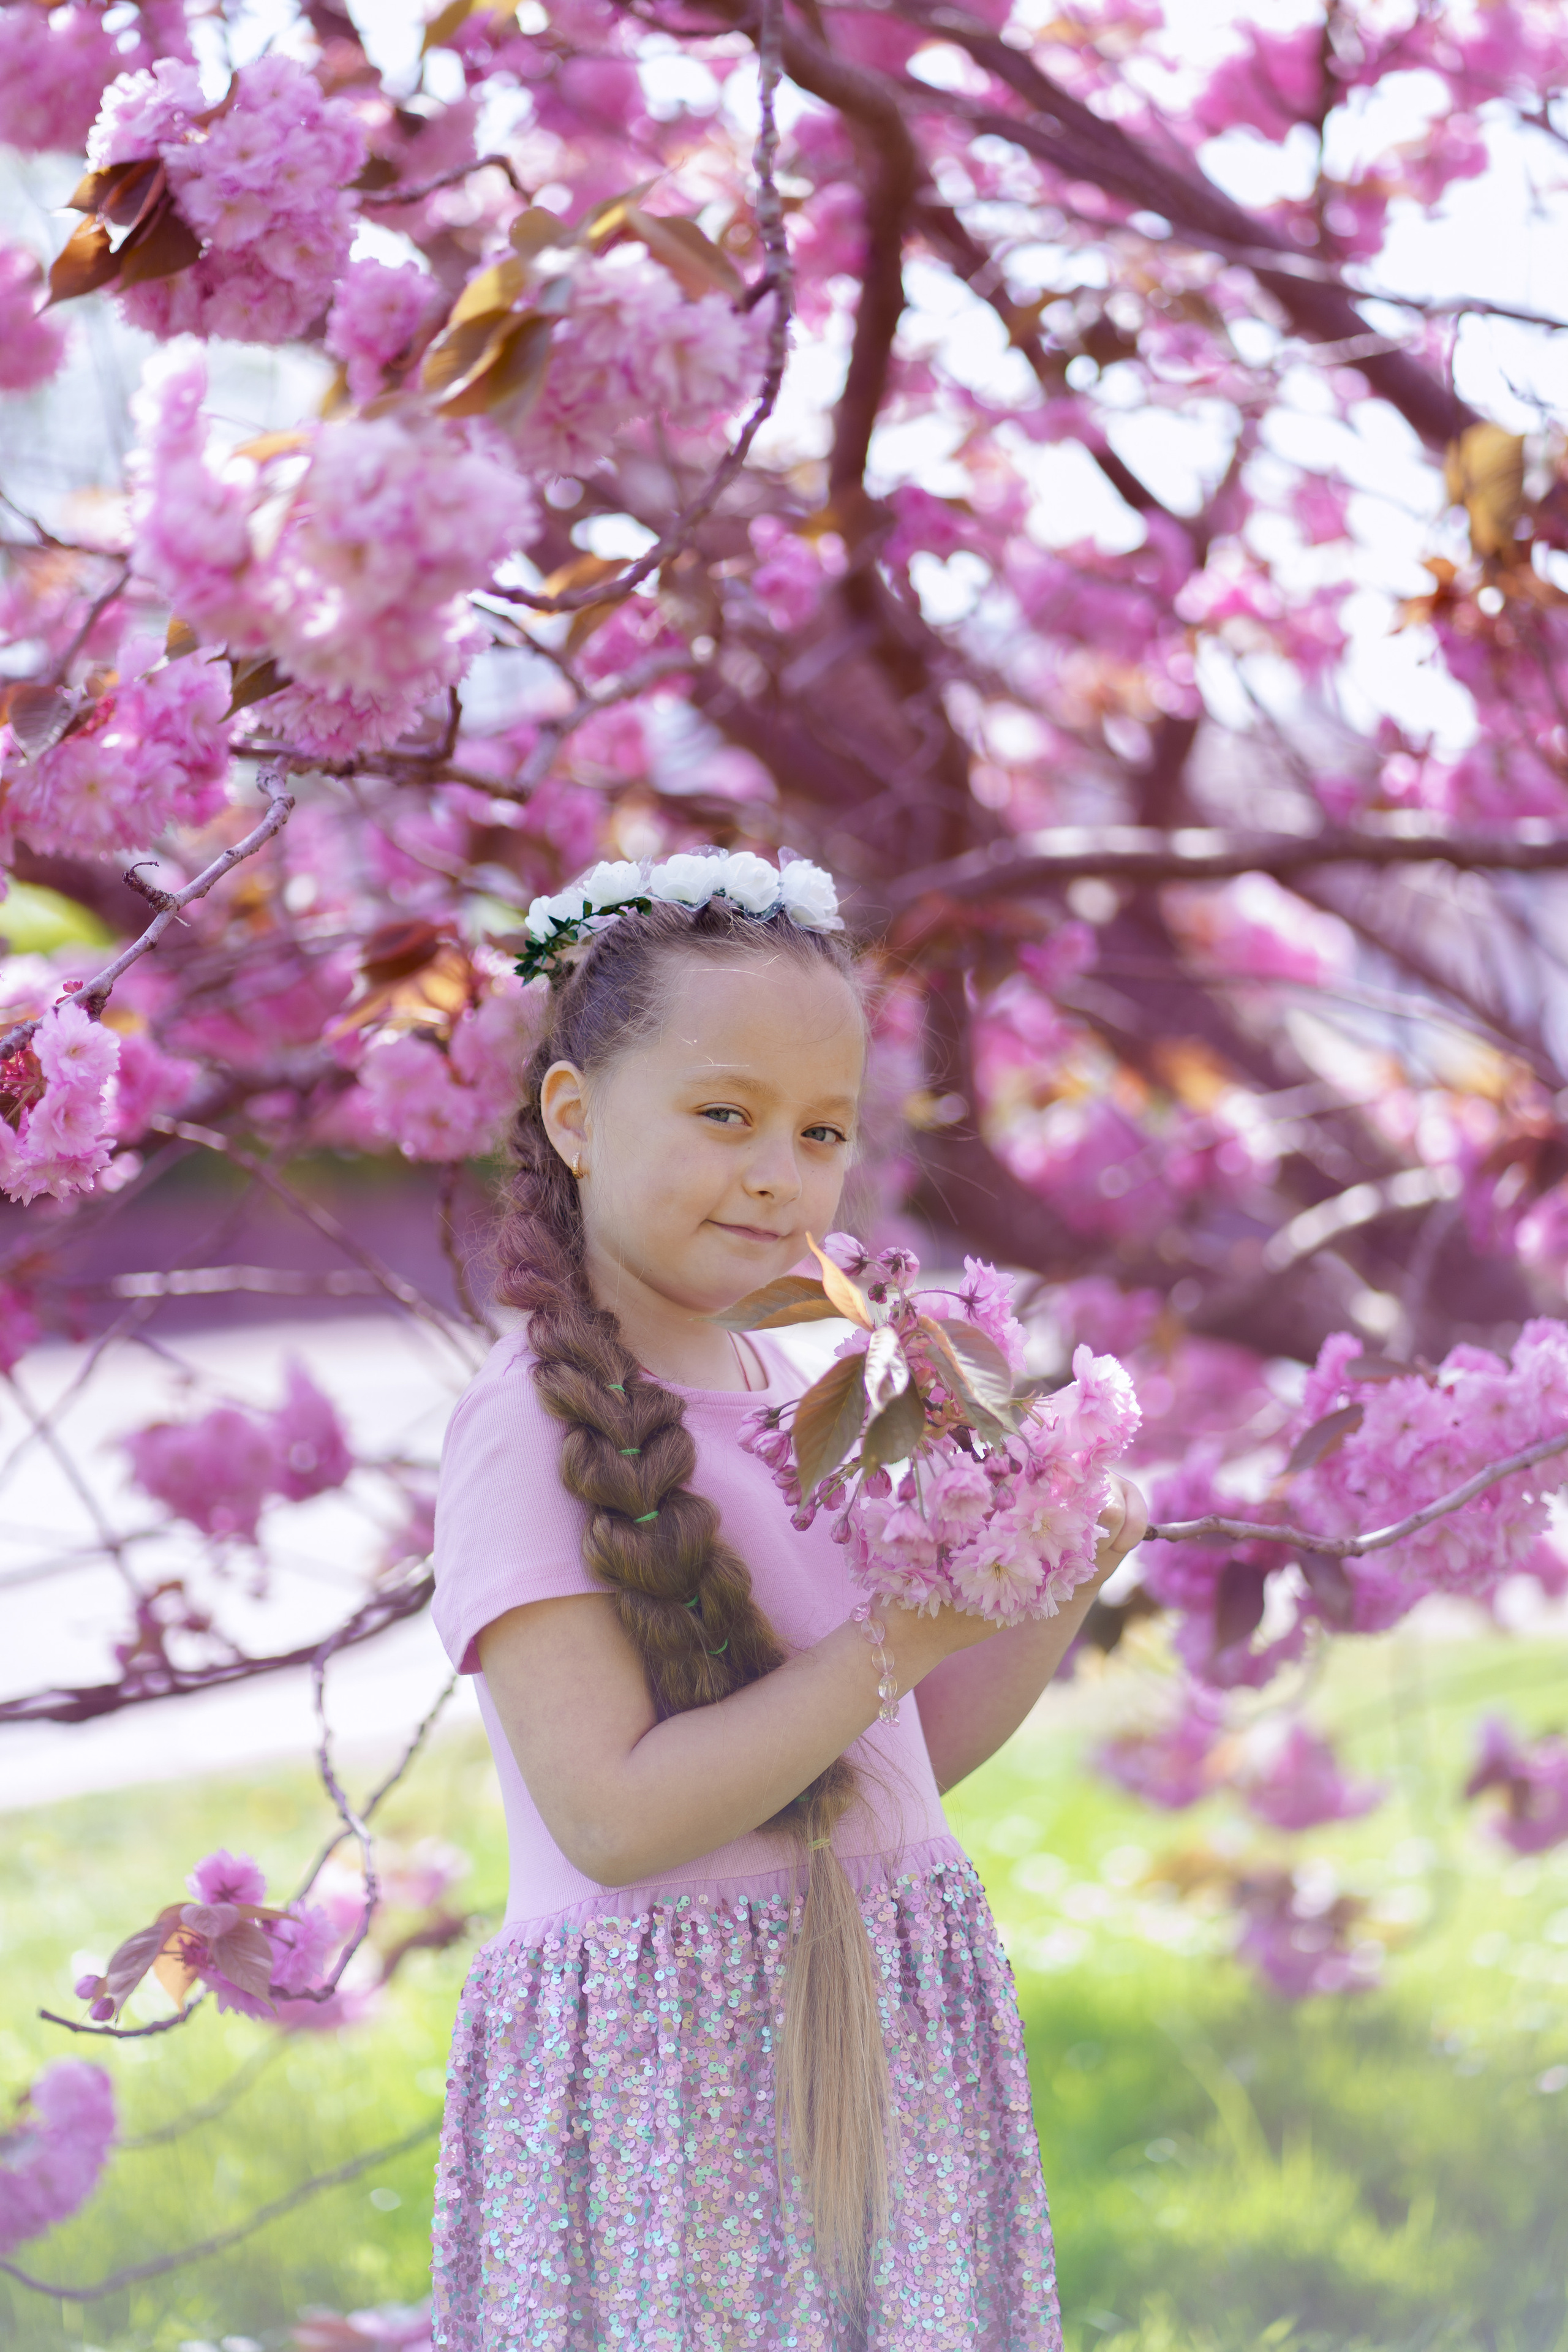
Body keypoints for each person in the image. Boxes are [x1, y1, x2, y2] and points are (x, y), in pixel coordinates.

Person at [428, 851, 1147, 2350]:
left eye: (820, 1131)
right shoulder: (528, 1429)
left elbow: (887, 1761)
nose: (777, 1172)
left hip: (882, 2008)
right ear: (573, 1117)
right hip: (675, 2066)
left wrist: (1047, 1582)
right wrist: (897, 1637)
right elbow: (612, 1820)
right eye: (722, 1116)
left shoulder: (820, 1392)